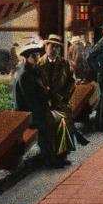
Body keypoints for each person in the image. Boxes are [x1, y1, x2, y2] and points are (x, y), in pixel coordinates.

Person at [12, 41, 62, 168]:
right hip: (28, 113)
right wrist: (46, 109)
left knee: (59, 122)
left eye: (37, 55)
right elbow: (30, 99)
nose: (36, 58)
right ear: (27, 58)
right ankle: (49, 160)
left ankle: (58, 157)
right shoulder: (24, 75)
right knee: (47, 127)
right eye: (33, 56)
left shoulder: (33, 71)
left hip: (36, 110)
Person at [37, 34, 80, 165]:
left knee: (65, 122)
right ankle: (50, 157)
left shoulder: (64, 63)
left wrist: (64, 96)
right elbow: (36, 85)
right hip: (45, 103)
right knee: (48, 127)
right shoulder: (39, 64)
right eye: (51, 46)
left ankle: (62, 156)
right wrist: (46, 97)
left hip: (61, 101)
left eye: (57, 47)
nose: (54, 49)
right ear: (46, 47)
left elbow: (71, 82)